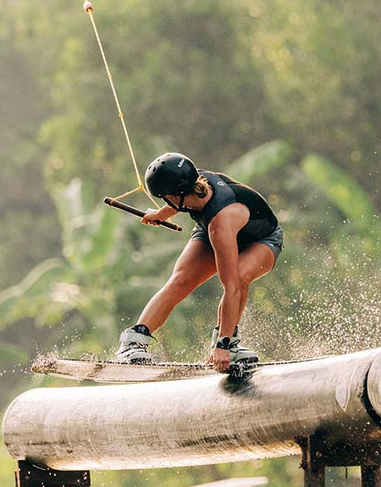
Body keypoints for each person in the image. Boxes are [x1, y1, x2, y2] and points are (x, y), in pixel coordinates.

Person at [115, 152, 283, 371]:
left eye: (164, 197)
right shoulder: (192, 180)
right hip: (210, 228)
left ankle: (228, 343)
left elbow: (230, 287)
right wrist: (161, 213)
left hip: (262, 239)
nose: (167, 201)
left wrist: (222, 347)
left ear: (174, 196)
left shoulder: (220, 223)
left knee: (238, 279)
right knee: (180, 280)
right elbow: (179, 200)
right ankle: (133, 342)